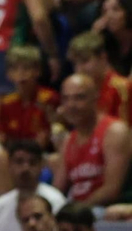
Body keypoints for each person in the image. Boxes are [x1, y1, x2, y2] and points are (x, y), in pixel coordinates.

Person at [55, 74, 132, 210]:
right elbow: (57, 190)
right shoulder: (68, 140)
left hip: (108, 212)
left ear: (95, 98)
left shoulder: (114, 131)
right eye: (66, 98)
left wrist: (77, 211)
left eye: (79, 97)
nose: (71, 105)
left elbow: (111, 190)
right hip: (78, 214)